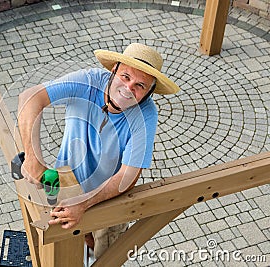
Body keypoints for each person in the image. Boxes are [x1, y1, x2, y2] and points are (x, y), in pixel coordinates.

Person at [17, 42, 180, 259]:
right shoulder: (87, 81)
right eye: (125, 76)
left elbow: (127, 176)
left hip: (109, 196)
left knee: (106, 253)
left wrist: (84, 203)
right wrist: (32, 157)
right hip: (67, 183)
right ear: (113, 70)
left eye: (140, 86)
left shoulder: (146, 114)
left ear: (149, 93)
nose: (129, 88)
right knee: (64, 244)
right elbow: (29, 97)